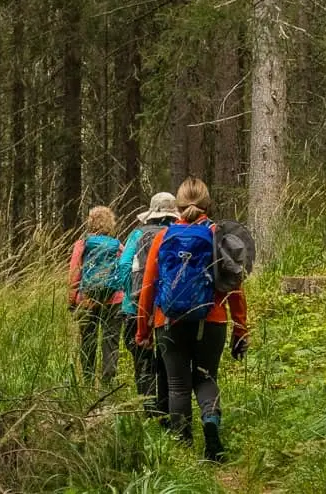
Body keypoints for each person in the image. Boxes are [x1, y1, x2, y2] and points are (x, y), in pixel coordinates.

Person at [136, 178, 249, 462]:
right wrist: (240, 329)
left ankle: (182, 447)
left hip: (168, 320)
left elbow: (148, 286)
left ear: (178, 205)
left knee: (177, 385)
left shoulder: (164, 237)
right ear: (207, 204)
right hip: (211, 319)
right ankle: (211, 427)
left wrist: (143, 330)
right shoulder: (218, 235)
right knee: (206, 378)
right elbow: (234, 286)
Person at [118, 192, 178, 414]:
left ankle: (149, 409)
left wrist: (132, 292)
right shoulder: (175, 233)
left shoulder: (137, 234)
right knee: (166, 360)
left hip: (135, 307)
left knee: (142, 359)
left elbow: (124, 266)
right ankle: (166, 410)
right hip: (167, 309)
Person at [67, 206, 124, 386]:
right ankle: (108, 385)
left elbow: (74, 273)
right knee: (111, 342)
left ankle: (88, 381)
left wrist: (72, 300)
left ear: (90, 222)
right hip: (114, 300)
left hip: (87, 300)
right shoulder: (118, 246)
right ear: (111, 223)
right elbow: (123, 272)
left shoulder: (82, 244)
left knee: (88, 341)